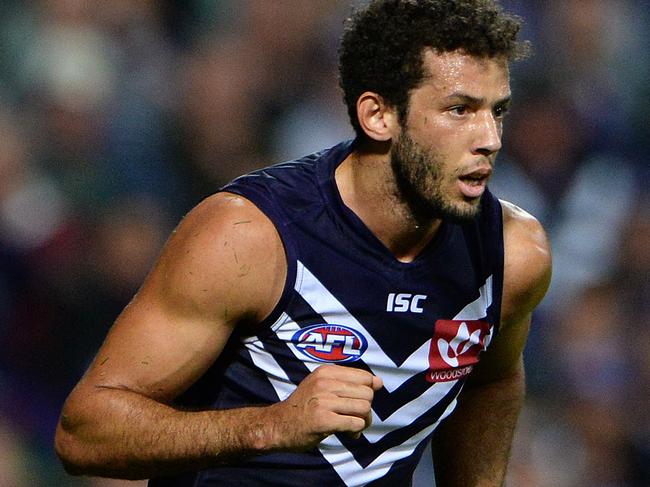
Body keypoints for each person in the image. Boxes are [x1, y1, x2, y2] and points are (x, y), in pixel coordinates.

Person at [54, 1, 551, 486]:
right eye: (459, 109)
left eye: (497, 110)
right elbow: (84, 433)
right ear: (378, 116)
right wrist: (271, 425)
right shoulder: (249, 238)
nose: (490, 137)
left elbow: (493, 379)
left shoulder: (513, 254)